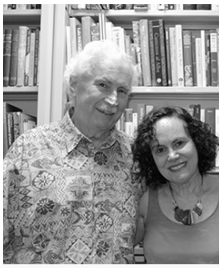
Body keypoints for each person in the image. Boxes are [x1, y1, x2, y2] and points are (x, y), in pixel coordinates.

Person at [3, 40, 142, 264]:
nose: (114, 99)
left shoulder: (135, 156)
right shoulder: (28, 149)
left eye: (123, 91)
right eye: (104, 85)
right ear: (73, 85)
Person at [132, 106, 219, 264]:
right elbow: (113, 250)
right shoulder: (145, 202)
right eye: (160, 149)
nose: (172, 156)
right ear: (151, 159)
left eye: (179, 143)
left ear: (197, 143)